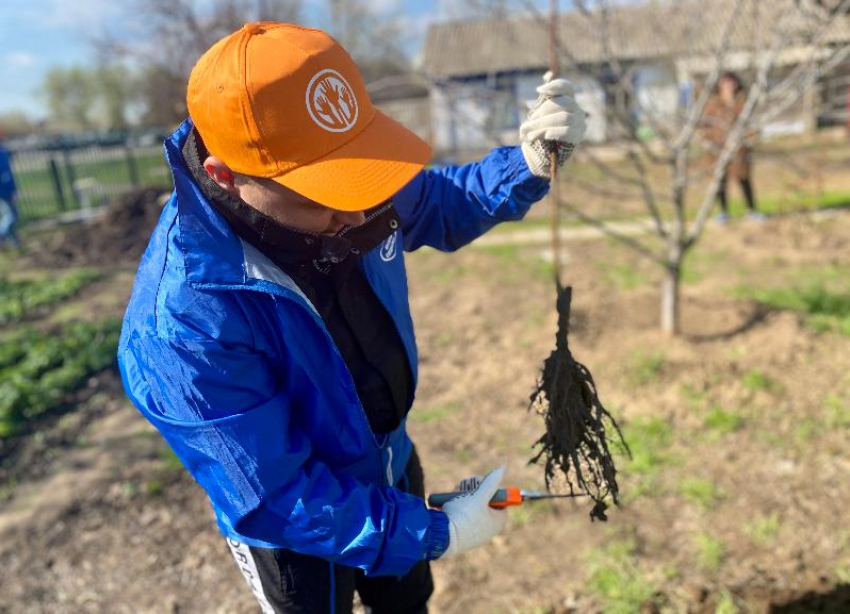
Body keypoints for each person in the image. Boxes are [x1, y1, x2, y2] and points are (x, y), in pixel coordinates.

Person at [118, 22, 586, 614]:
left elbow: (437, 203)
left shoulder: (347, 182)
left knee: (406, 602)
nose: (360, 209)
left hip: (390, 462)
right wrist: (434, 533)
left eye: (360, 176)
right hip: (294, 533)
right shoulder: (183, 322)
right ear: (226, 176)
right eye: (323, 195)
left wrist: (526, 165)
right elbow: (277, 494)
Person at [703, 71, 763, 223]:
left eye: (731, 83)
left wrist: (749, 139)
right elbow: (704, 126)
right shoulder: (713, 105)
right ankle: (723, 212)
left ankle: (752, 210)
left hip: (739, 149)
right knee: (720, 181)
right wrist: (708, 141)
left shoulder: (743, 104)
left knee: (744, 179)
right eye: (725, 83)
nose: (729, 86)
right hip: (718, 150)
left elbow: (753, 126)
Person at [0, 128, 21, 249]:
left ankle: (15, 242)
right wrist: (11, 190)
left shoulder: (3, 151)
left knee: (9, 214)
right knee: (13, 215)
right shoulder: (1, 153)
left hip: (4, 189)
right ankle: (2, 235)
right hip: (4, 190)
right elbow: (5, 175)